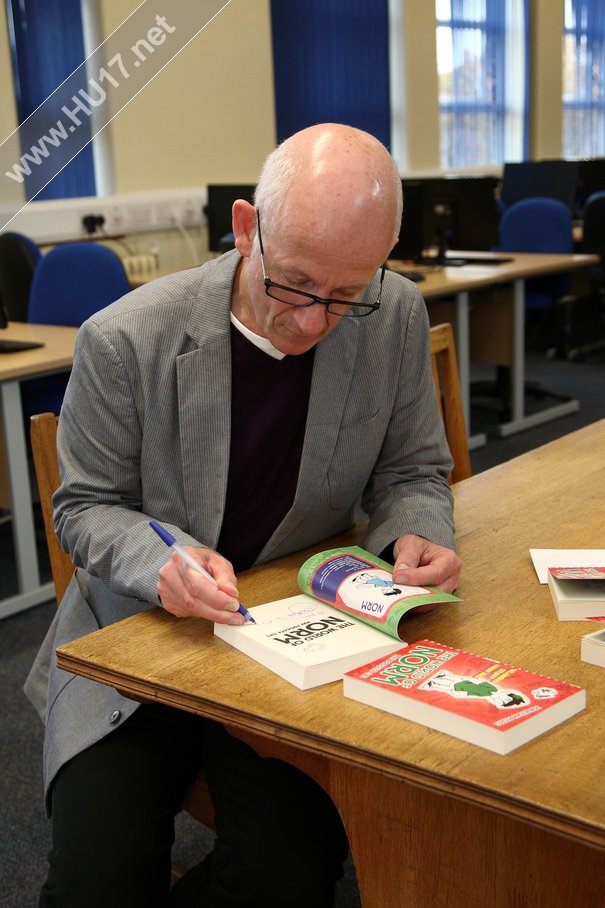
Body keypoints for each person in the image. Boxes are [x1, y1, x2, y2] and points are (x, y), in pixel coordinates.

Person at [25, 122, 461, 907]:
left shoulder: (392, 315)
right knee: (100, 879)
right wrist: (158, 560)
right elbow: (84, 508)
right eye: (293, 284)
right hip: (139, 640)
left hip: (289, 645)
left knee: (287, 874)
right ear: (244, 228)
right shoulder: (126, 341)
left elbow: (411, 468)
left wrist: (415, 527)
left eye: (345, 297)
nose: (311, 323)